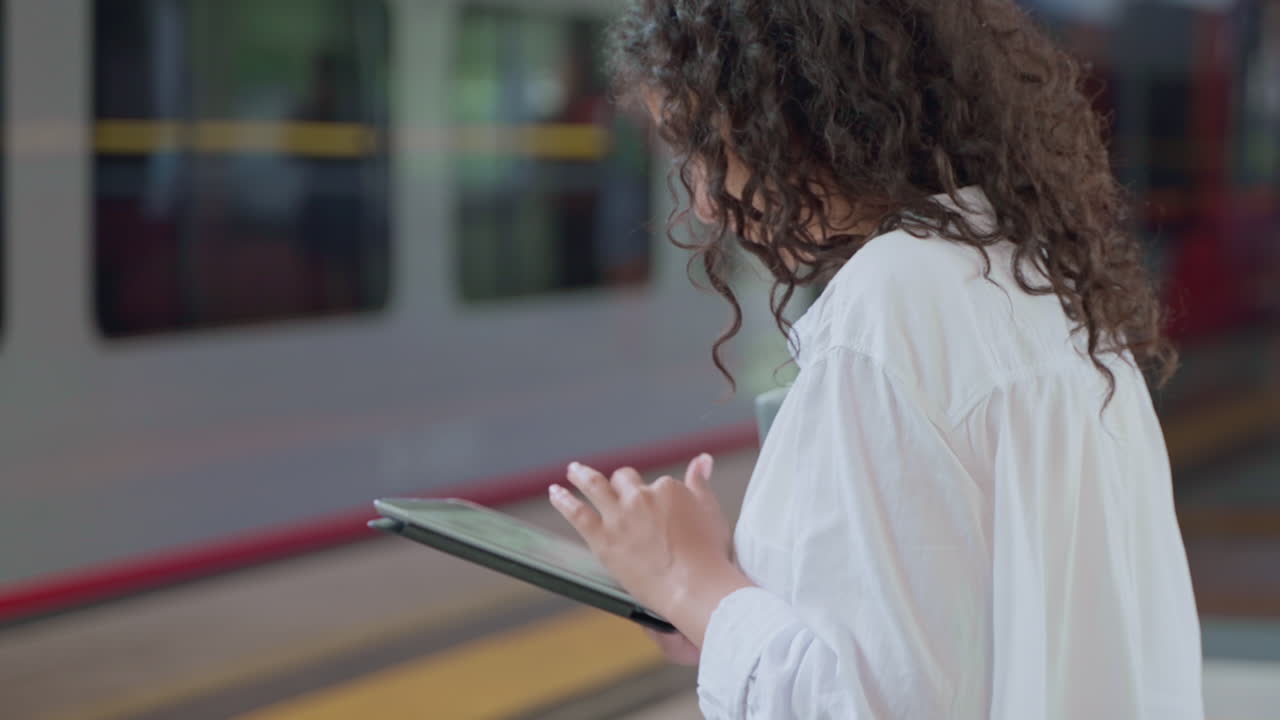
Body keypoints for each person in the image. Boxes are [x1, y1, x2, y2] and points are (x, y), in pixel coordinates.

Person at [546, 1, 1204, 718]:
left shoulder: (895, 304)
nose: (704, 203)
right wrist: (730, 609)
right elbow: (957, 641)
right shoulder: (1035, 277)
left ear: (790, 118)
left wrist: (687, 582)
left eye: (705, 150)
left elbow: (859, 705)